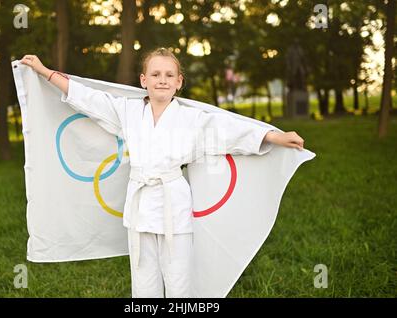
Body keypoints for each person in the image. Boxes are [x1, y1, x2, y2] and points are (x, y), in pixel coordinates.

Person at [20, 48, 304, 298]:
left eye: (170, 75)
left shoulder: (192, 120)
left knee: (178, 280)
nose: (162, 79)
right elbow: (89, 99)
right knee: (144, 283)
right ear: (143, 80)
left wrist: (274, 137)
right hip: (140, 207)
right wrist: (45, 72)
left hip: (174, 207)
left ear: (179, 82)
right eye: (155, 74)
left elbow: (230, 131)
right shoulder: (127, 112)